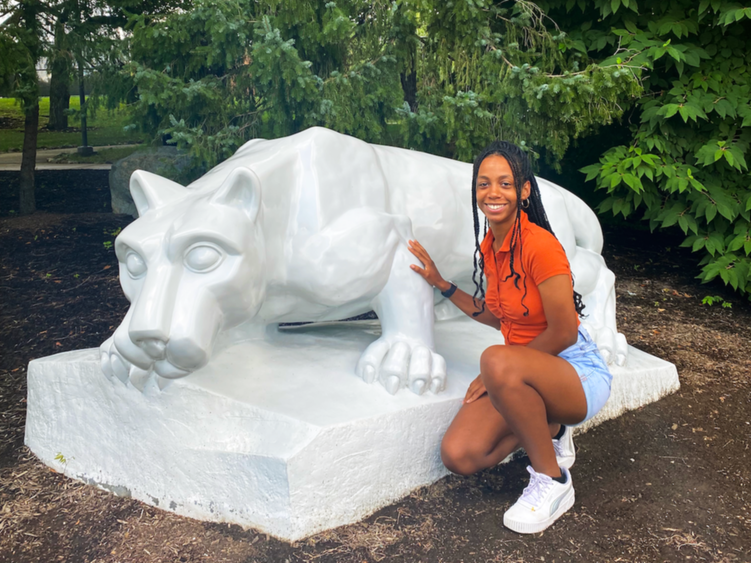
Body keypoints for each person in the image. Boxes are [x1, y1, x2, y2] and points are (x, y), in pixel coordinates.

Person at [407, 140, 612, 534]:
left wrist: (498, 370)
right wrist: (442, 285)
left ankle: (552, 482)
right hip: (524, 373)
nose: (493, 192)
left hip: (576, 372)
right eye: (484, 184)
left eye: (504, 183)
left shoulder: (540, 245)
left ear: (524, 191)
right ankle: (552, 429)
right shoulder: (491, 245)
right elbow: (497, 315)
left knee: (496, 359)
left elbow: (565, 330)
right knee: (460, 455)